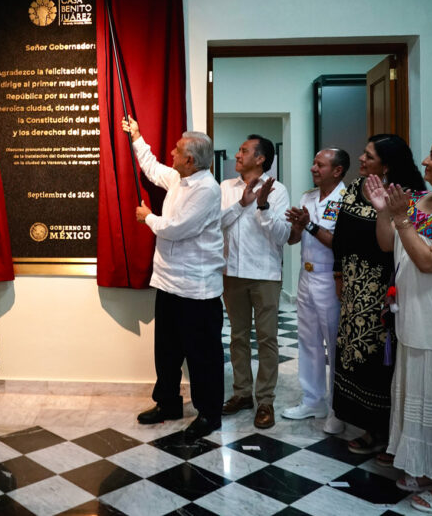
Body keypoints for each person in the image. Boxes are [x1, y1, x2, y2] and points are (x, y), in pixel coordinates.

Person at [368, 134, 432, 513]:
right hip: (413, 318)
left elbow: (429, 260)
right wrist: (385, 212)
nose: (425, 162)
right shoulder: (418, 202)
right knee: (422, 398)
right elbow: (387, 245)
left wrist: (400, 220)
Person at [123, 117, 225, 440]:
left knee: (202, 356)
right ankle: (167, 403)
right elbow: (152, 168)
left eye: (177, 150)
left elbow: (178, 228)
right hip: (168, 282)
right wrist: (138, 136)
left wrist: (146, 217)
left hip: (198, 288)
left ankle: (210, 414)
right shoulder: (180, 179)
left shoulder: (207, 189)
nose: (171, 152)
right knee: (166, 351)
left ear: (190, 160)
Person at [332, 134, 425, 456]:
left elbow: (403, 246)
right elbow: (341, 235)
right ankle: (367, 426)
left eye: (369, 156)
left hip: (388, 291)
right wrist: (339, 273)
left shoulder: (409, 196)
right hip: (355, 285)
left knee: (381, 359)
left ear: (386, 165)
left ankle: (391, 432)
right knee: (352, 352)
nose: (361, 159)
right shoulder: (357, 188)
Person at [220, 135, 290, 429]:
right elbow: (215, 224)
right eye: (239, 149)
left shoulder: (278, 191)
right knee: (237, 338)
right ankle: (241, 394)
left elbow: (283, 236)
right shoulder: (225, 188)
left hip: (264, 275)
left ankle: (265, 401)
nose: (237, 154)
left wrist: (262, 207)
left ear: (260, 158)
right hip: (231, 274)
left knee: (266, 340)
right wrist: (242, 203)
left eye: (244, 150)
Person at [282, 148, 349, 434]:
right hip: (306, 276)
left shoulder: (346, 200)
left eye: (320, 165)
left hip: (330, 278)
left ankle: (337, 408)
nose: (313, 168)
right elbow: (294, 240)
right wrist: (298, 226)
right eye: (314, 163)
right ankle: (313, 400)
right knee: (308, 341)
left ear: (337, 171)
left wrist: (308, 224)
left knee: (333, 345)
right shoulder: (308, 197)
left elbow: (339, 242)